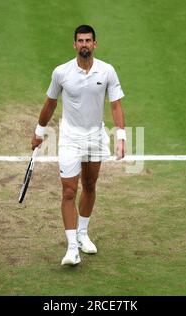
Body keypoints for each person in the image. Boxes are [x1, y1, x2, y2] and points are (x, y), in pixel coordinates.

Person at [31, 25, 126, 266]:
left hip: (95, 137)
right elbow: (50, 103)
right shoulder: (61, 73)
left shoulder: (107, 71)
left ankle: (83, 234)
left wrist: (122, 137)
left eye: (88, 40)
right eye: (80, 41)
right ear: (75, 45)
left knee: (90, 185)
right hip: (71, 139)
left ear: (95, 44)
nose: (84, 44)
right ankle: (72, 248)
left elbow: (115, 105)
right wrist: (39, 131)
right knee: (69, 191)